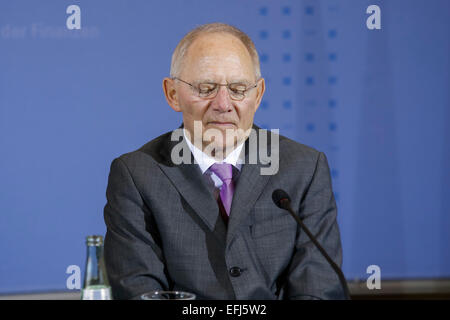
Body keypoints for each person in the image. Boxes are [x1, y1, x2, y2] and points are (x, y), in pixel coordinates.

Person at [103, 23, 346, 300]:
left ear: (258, 95)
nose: (223, 104)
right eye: (205, 88)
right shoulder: (137, 176)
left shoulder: (304, 168)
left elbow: (319, 290)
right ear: (172, 94)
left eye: (238, 88)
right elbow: (140, 292)